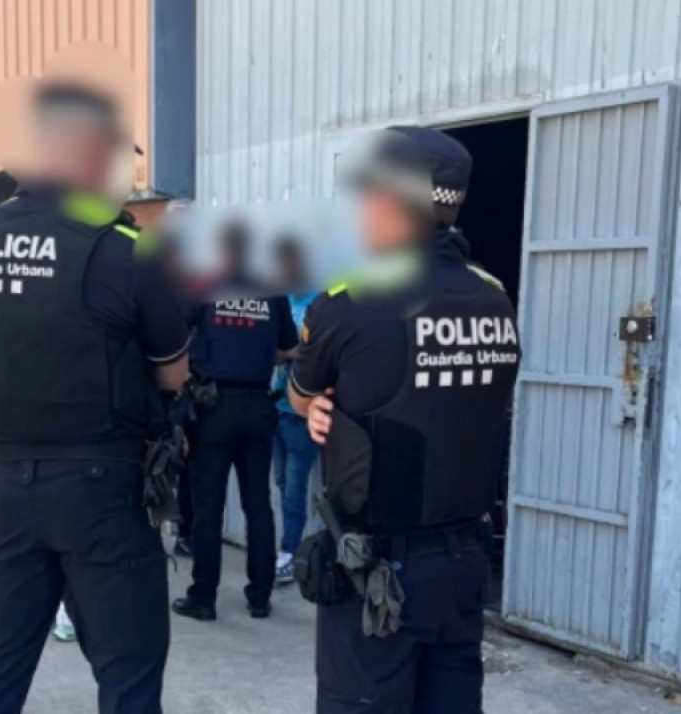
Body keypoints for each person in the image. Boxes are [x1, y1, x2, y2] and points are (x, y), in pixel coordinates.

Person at [0, 43, 189, 714]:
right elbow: (174, 374)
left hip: (2, 487)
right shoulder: (125, 249)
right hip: (101, 489)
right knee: (129, 675)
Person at [288, 126, 521, 714]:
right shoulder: (494, 298)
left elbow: (301, 393)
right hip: (465, 565)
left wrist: (316, 407)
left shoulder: (350, 301)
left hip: (378, 573)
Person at [170, 222, 299, 622]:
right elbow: (290, 348)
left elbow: (175, 335)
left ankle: (203, 597)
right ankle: (260, 596)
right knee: (258, 503)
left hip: (213, 407)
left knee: (208, 507)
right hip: (257, 405)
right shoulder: (272, 290)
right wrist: (257, 356)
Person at [269, 240, 320, 584]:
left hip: (301, 411)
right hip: (275, 404)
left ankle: (289, 552)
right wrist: (290, 351)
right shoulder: (282, 299)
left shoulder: (319, 303)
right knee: (281, 481)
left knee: (294, 489)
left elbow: (313, 354)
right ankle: (288, 549)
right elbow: (275, 350)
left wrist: (289, 351)